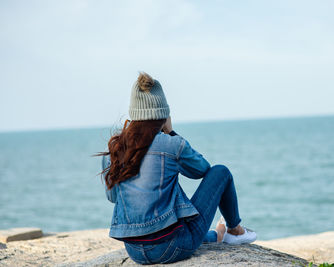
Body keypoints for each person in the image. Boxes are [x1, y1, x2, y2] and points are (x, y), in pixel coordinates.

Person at [98, 72, 256, 264]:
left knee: (173, 232)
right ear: (162, 114)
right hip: (172, 247)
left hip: (135, 251)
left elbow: (113, 198)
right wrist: (171, 132)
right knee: (220, 171)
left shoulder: (116, 149)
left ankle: (217, 235)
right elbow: (203, 170)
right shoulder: (170, 144)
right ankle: (234, 230)